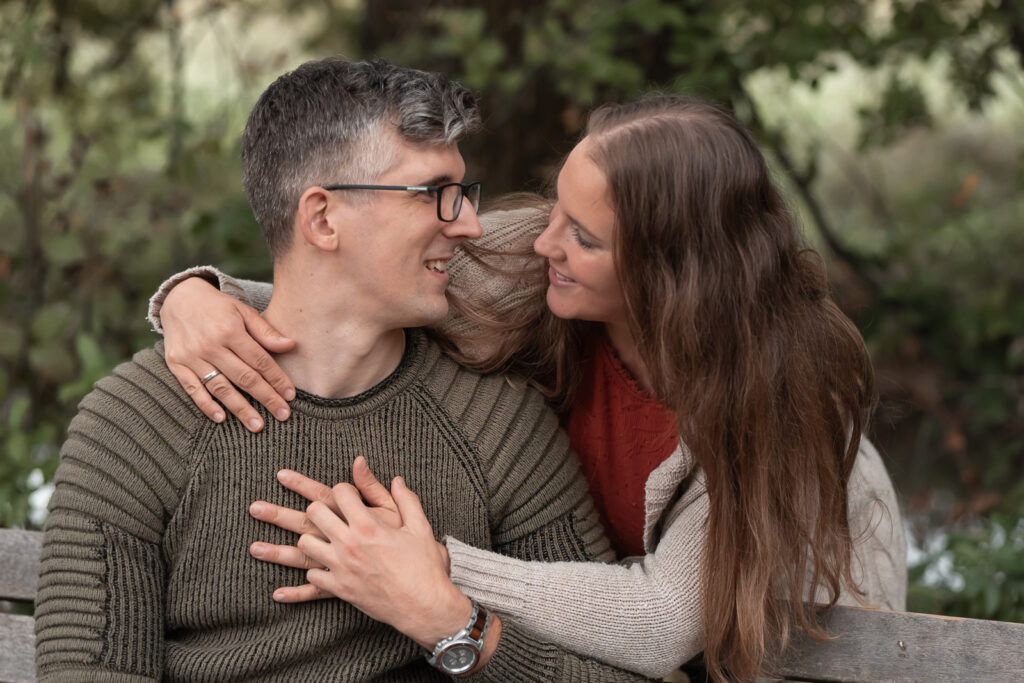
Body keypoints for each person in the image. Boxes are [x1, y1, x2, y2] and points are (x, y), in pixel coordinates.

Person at [150, 94, 907, 681]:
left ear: (671, 271)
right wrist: (196, 295)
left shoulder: (777, 403)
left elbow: (663, 619)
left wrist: (430, 571)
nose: (545, 241)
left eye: (583, 236)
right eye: (558, 210)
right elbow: (350, 291)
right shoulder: (537, 264)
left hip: (791, 643)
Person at [33, 57, 651, 682]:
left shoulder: (495, 419)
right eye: (435, 194)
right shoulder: (139, 424)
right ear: (323, 218)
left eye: (462, 193)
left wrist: (452, 623)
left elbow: (610, 669)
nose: (466, 224)